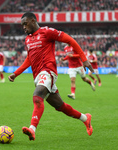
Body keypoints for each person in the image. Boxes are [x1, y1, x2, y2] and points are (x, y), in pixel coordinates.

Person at [8, 12, 94, 141]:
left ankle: (32, 129)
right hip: (38, 76)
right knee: (61, 106)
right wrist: (16, 73)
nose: (24, 28)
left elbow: (69, 39)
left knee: (37, 96)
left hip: (48, 72)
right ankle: (85, 118)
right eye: (22, 25)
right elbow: (29, 59)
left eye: (25, 24)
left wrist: (84, 59)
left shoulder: (47, 32)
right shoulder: (28, 39)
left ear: (33, 21)